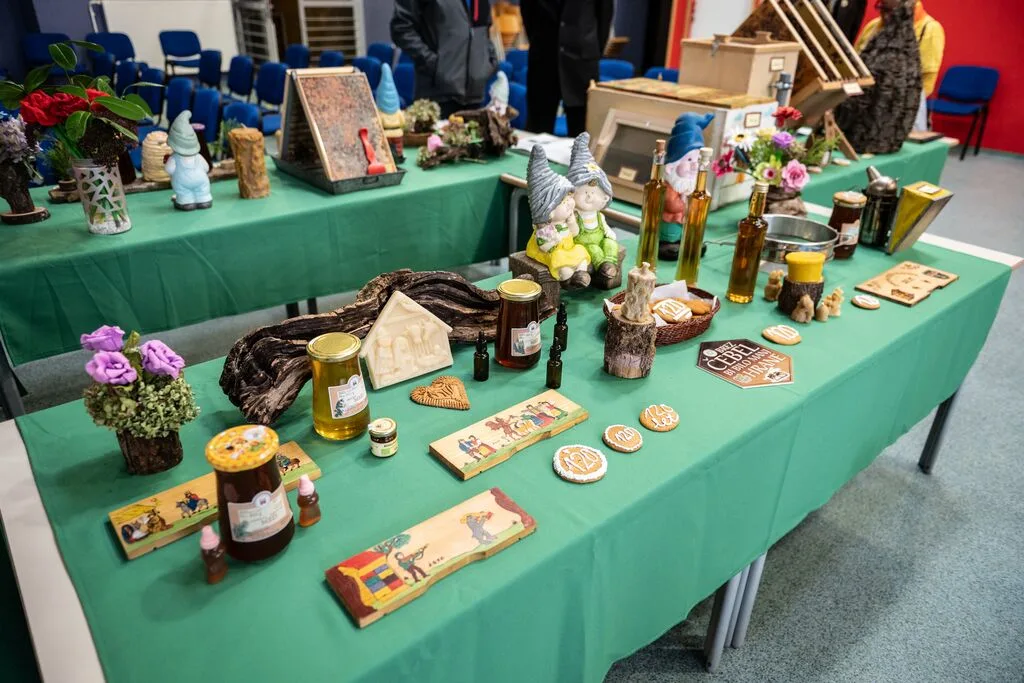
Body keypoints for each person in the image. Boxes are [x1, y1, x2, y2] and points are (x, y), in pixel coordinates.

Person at [520, 0, 615, 137]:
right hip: (543, 59)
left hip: (581, 63)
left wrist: (591, 50)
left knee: (581, 136)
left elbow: (604, 17)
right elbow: (527, 13)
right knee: (537, 132)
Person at [837, 0, 921, 153]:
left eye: (883, 8)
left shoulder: (890, 48)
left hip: (865, 139)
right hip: (886, 140)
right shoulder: (906, 47)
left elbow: (863, 94)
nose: (881, 12)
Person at [391, 0, 498, 118]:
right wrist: (434, 65)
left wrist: (488, 62)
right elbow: (401, 28)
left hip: (475, 95)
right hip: (437, 95)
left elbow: (484, 30)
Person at [856, 0, 945, 130]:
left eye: (890, 10)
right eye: (881, 7)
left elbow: (926, 80)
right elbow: (855, 62)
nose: (885, 15)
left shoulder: (930, 29)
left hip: (903, 110)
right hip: (864, 106)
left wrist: (901, 106)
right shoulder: (873, 26)